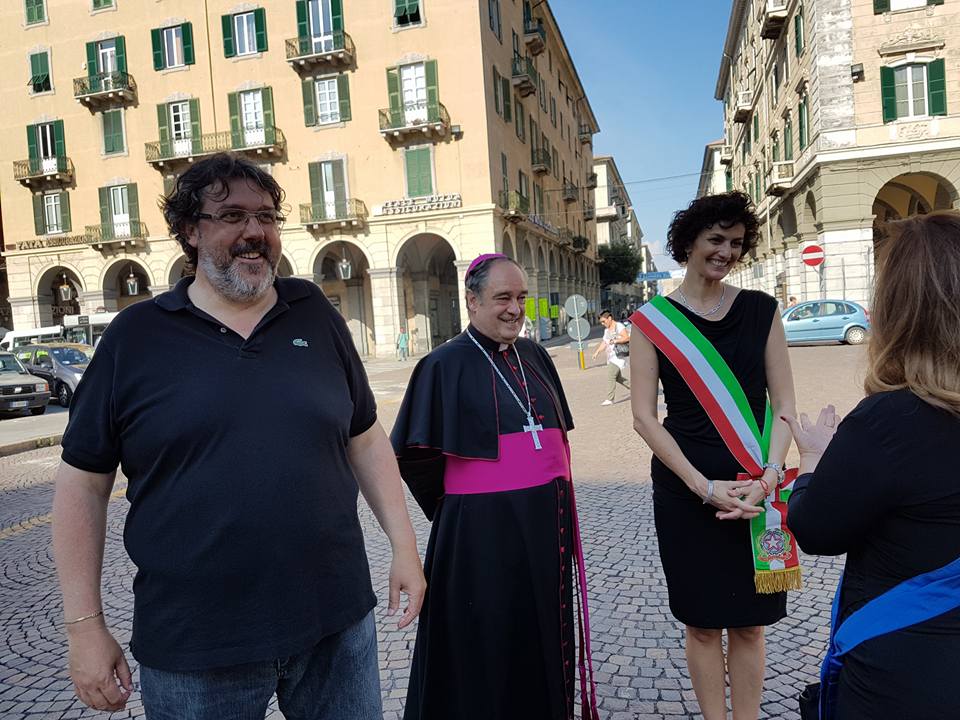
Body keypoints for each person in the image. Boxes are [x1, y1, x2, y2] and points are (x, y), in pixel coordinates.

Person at [51, 153, 425, 719]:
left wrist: (404, 548)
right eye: (232, 216)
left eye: (267, 216)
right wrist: (84, 628)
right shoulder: (135, 337)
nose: (255, 232)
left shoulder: (314, 314)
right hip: (194, 647)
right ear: (190, 230)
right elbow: (82, 485)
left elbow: (366, 438)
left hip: (335, 625)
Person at [391, 253, 599, 720]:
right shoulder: (442, 365)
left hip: (546, 535)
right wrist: (465, 512)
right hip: (479, 541)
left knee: (541, 640)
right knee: (483, 648)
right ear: (472, 301)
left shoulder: (535, 356)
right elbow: (414, 457)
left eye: (521, 297)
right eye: (503, 297)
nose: (515, 309)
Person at [629, 191, 798, 720]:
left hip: (756, 490)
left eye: (737, 242)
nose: (726, 251)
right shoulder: (651, 321)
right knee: (702, 625)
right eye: (716, 239)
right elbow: (643, 418)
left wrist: (769, 478)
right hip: (686, 493)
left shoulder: (761, 310)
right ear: (689, 242)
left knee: (749, 625)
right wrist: (701, 486)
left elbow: (785, 406)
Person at [785, 211, 960, 719]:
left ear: (900, 310)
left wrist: (812, 459)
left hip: (908, 668)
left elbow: (816, 529)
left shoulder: (891, 419)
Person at [592, 309, 631, 406]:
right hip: (611, 356)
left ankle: (610, 399)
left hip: (619, 356)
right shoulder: (607, 330)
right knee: (618, 378)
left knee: (611, 376)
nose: (602, 324)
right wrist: (597, 352)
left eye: (603, 321)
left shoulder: (619, 326)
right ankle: (637, 389)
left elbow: (626, 337)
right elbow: (605, 342)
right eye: (601, 322)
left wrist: (615, 341)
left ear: (609, 318)